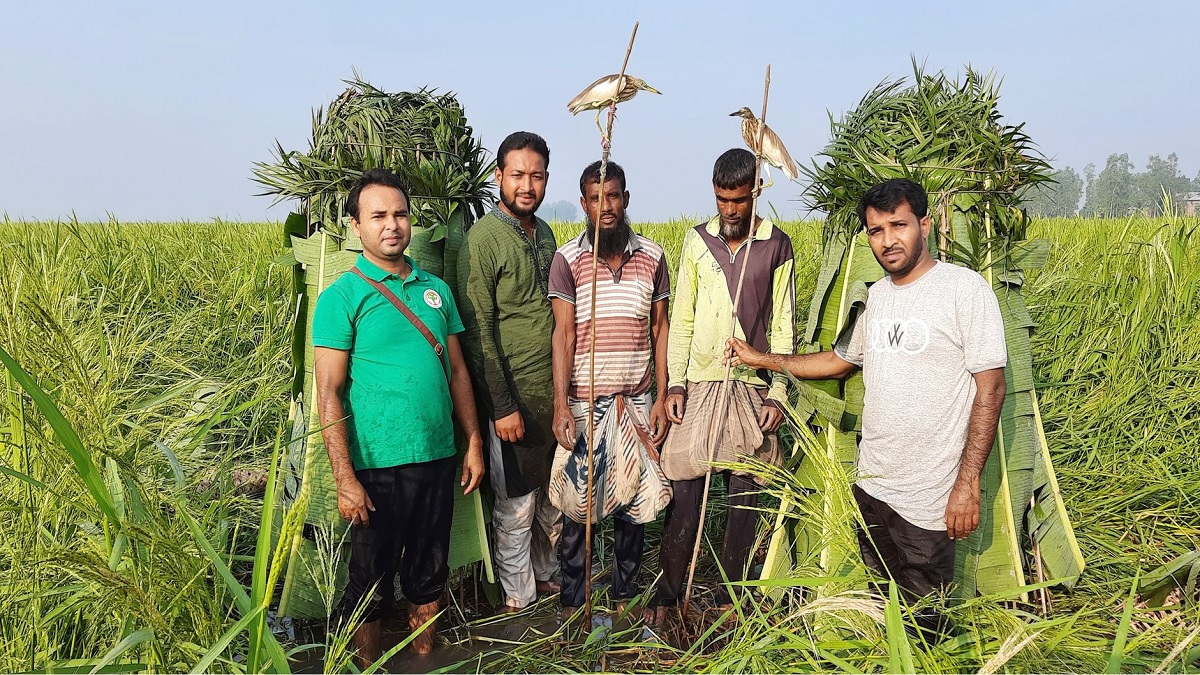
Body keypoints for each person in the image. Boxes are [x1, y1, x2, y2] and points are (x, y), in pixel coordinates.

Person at [727, 178, 1007, 634]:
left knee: (927, 622)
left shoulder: (963, 290)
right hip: (874, 489)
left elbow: (991, 389)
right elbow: (839, 361)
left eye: (899, 225)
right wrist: (762, 359)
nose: (888, 240)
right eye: (876, 230)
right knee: (886, 606)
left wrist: (967, 483)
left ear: (925, 225)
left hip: (928, 498)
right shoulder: (877, 296)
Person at [312, 168, 485, 663]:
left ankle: (425, 660)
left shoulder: (436, 290)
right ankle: (366, 666)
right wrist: (345, 479)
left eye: (401, 214)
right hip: (375, 466)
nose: (392, 225)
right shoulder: (342, 297)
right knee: (370, 580)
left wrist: (473, 441)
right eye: (378, 216)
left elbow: (457, 372)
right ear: (355, 225)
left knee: (430, 571)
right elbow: (328, 394)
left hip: (436, 456)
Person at [653, 148, 797, 623]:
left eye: (738, 200)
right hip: (700, 384)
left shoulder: (776, 245)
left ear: (755, 193)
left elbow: (783, 325)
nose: (730, 210)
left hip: (751, 387)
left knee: (743, 497)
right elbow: (683, 318)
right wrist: (676, 386)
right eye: (721, 199)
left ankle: (730, 600)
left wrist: (778, 392)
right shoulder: (698, 242)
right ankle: (668, 596)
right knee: (685, 493)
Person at [546, 161, 673, 622]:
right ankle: (573, 602)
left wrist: (661, 396)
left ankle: (624, 597)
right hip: (585, 402)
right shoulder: (568, 260)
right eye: (596, 198)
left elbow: (660, 329)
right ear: (584, 204)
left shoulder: (653, 256)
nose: (606, 207)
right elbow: (563, 335)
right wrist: (561, 404)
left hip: (635, 401)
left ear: (626, 198)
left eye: (614, 196)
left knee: (632, 503)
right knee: (577, 504)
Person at [457, 131, 562, 612]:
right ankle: (519, 601)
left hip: (551, 395)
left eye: (536, 176)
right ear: (498, 176)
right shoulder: (483, 239)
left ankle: (546, 576)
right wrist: (501, 407)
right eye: (517, 175)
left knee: (550, 501)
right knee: (516, 506)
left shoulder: (545, 234)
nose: (527, 185)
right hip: (512, 400)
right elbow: (477, 332)